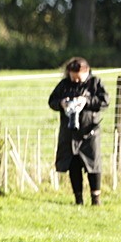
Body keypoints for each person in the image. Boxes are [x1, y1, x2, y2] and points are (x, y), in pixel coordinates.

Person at [48, 57, 109, 205]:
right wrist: (62, 103)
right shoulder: (64, 85)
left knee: (93, 165)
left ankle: (96, 199)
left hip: (90, 132)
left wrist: (86, 101)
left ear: (86, 71)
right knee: (73, 165)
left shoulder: (95, 83)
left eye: (78, 78)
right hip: (70, 133)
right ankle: (78, 199)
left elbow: (105, 101)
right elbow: (52, 101)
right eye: (72, 77)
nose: (75, 81)